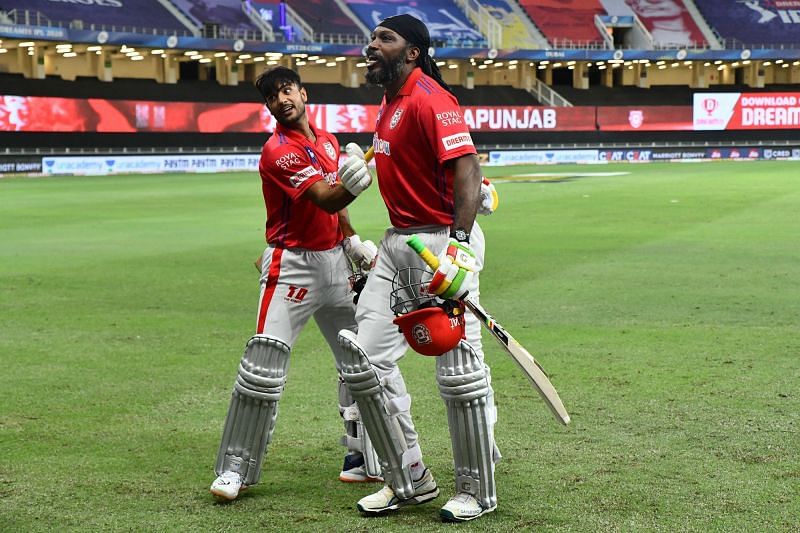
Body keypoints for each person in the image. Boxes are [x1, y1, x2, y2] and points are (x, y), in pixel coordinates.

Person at [333, 14, 500, 523]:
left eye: (385, 39)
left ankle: (477, 486)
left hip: (440, 242)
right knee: (366, 360)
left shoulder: (432, 98)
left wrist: (459, 244)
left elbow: (466, 168)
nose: (371, 46)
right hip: (397, 244)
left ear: (412, 52)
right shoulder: (388, 102)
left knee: (457, 371)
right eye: (372, 37)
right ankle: (408, 477)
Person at [209, 66, 381, 501]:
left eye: (286, 90)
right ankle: (235, 469)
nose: (281, 99)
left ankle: (361, 459)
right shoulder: (278, 151)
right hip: (293, 267)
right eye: (272, 97)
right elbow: (326, 197)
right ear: (269, 107)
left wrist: (353, 239)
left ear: (303, 93)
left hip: (334, 264)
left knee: (358, 361)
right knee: (263, 365)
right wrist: (355, 183)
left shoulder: (326, 141)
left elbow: (335, 210)